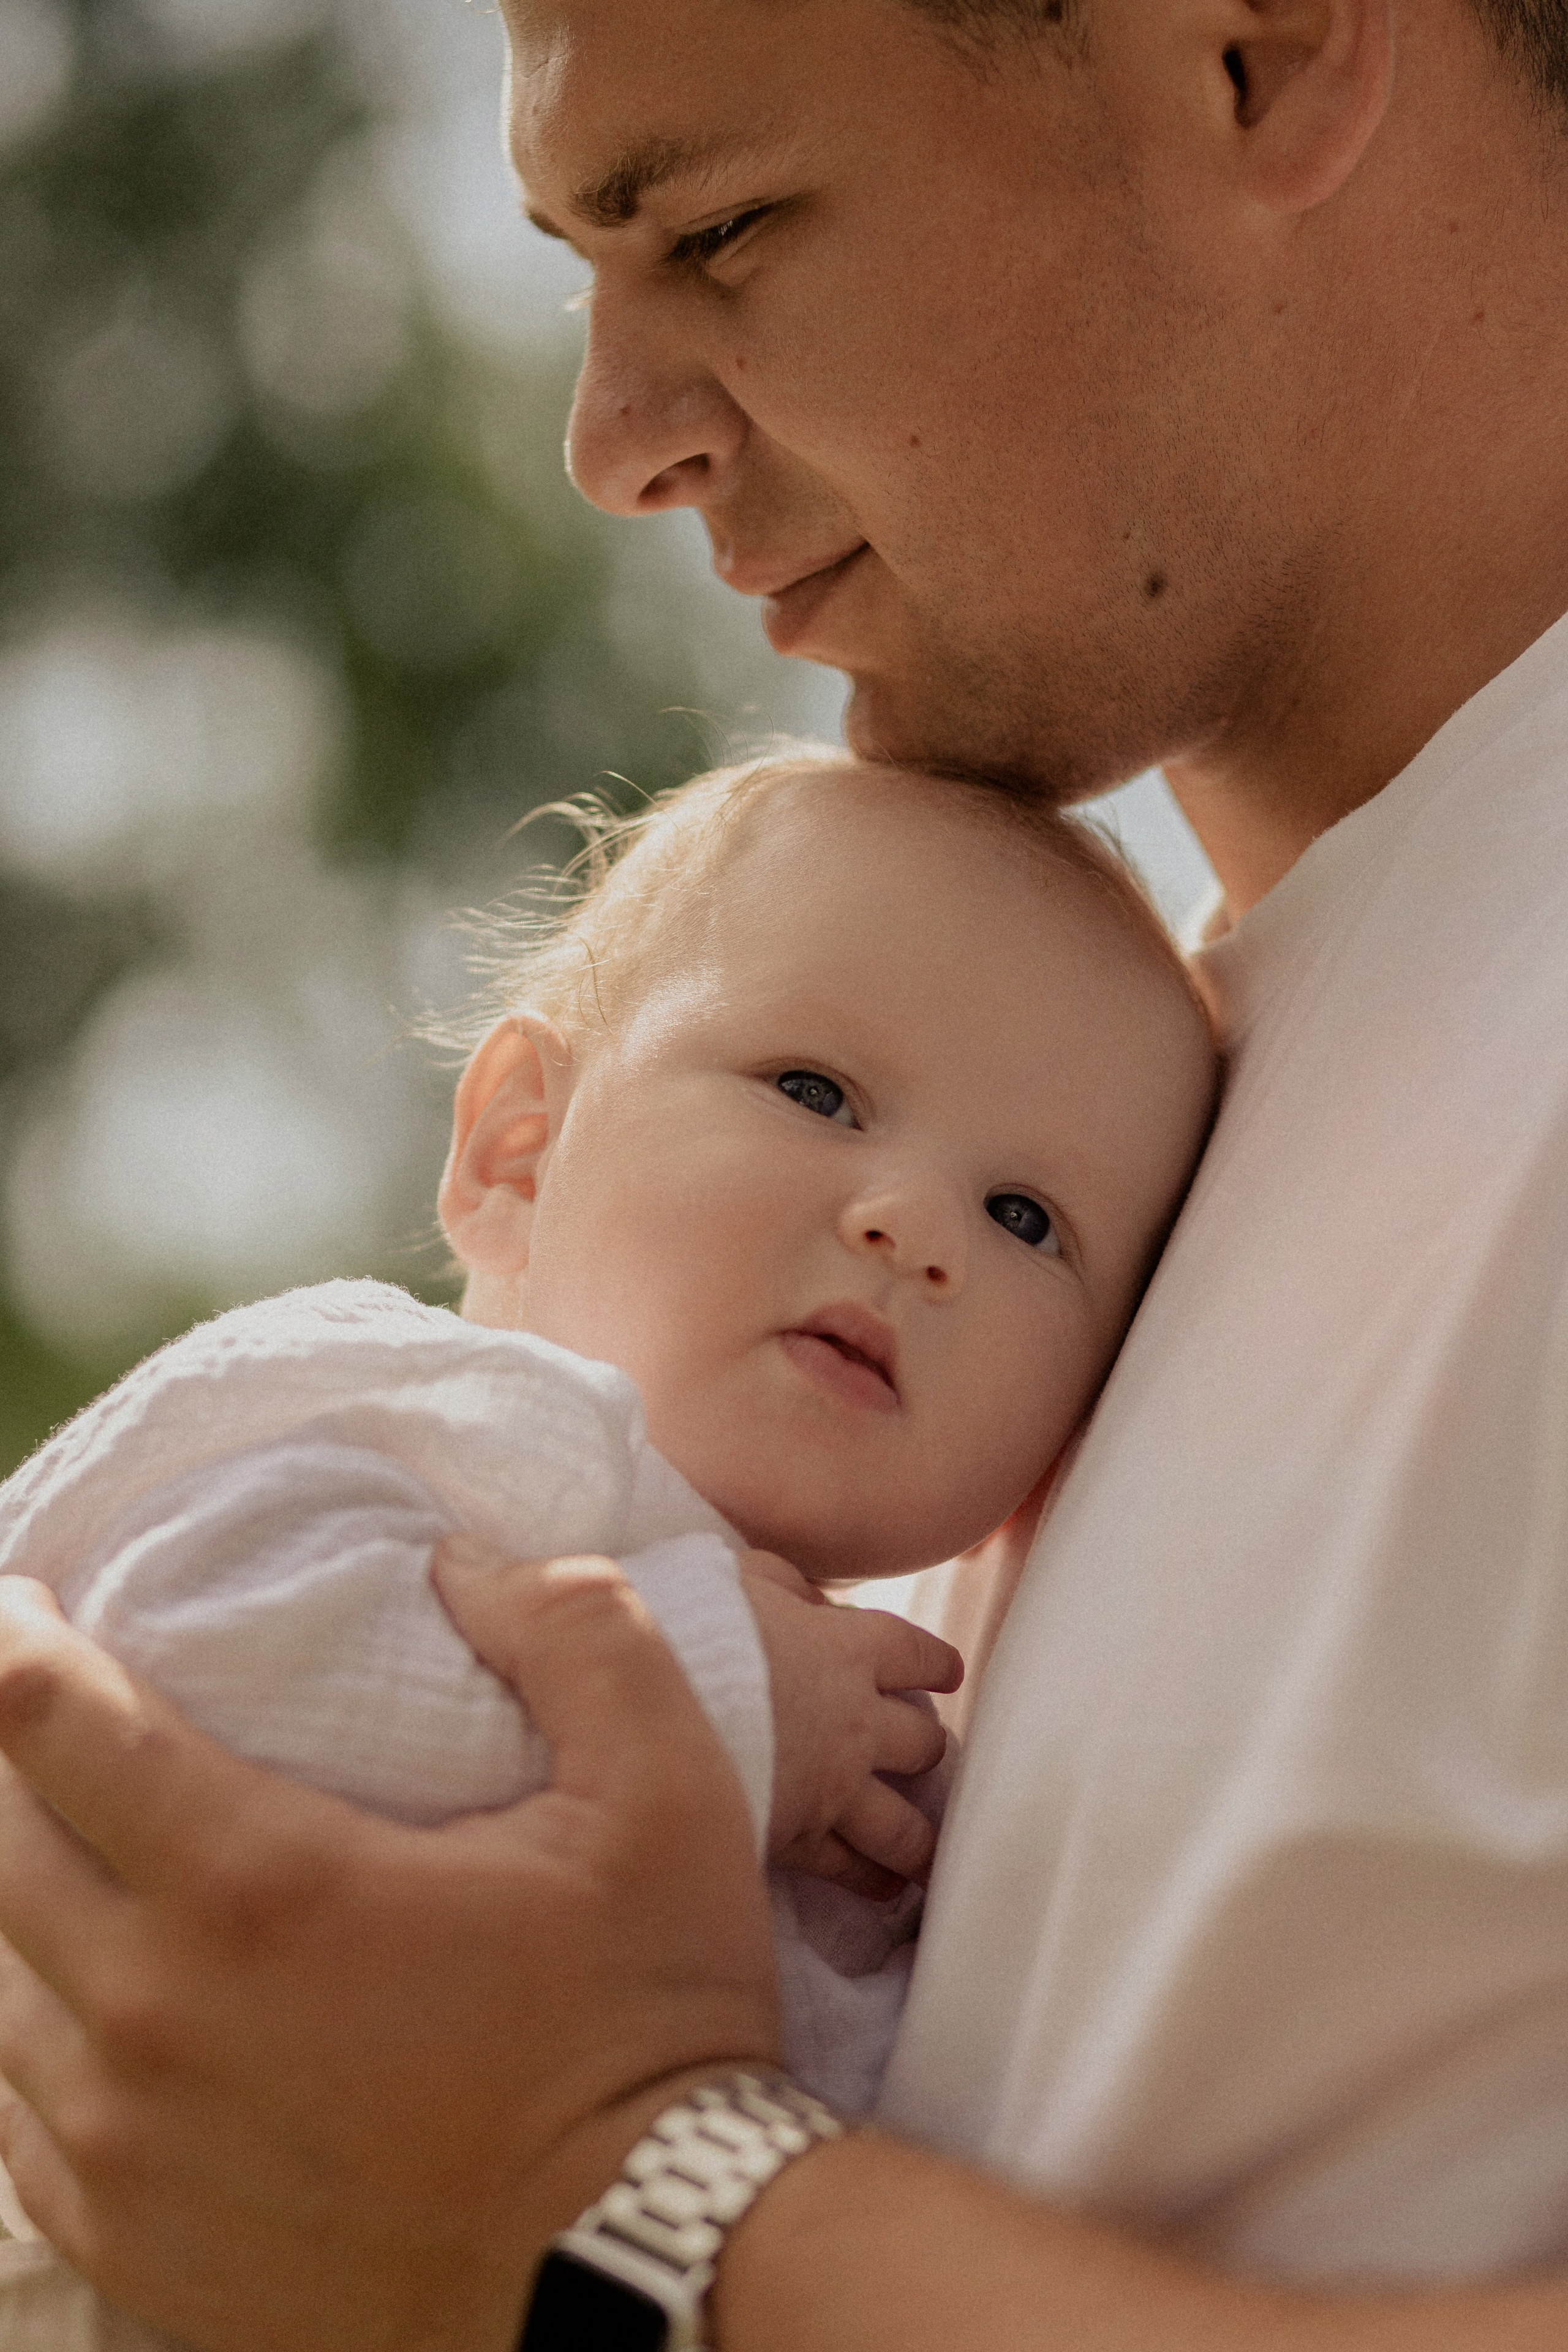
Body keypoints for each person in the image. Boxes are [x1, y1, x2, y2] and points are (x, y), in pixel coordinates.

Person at [1, 0, 1567, 2343]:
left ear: (1252, 50)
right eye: (578, 272)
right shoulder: (1049, 1186)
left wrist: (607, 2201)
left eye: (722, 227)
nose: (609, 445)